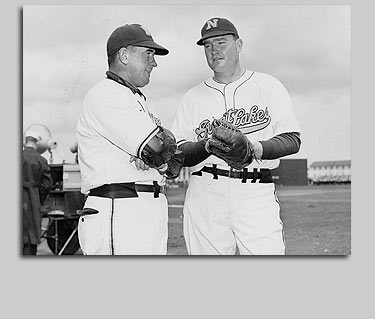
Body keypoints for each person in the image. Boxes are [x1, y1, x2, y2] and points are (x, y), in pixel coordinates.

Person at [172, 17, 301, 255]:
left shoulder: (268, 86)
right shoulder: (192, 97)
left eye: (221, 42)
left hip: (254, 191)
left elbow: (293, 139)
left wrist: (255, 149)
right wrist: (207, 147)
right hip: (205, 193)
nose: (214, 50)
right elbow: (180, 153)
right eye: (208, 46)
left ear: (239, 45)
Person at [76, 23, 184, 255]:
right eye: (148, 54)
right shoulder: (106, 93)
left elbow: (169, 157)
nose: (154, 63)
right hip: (119, 209)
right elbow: (158, 149)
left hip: (142, 209)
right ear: (124, 55)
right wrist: (159, 155)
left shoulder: (137, 98)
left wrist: (160, 156)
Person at [23, 129, 52, 255]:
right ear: (36, 143)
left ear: (25, 142)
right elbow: (46, 185)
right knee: (31, 237)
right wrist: (38, 198)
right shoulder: (41, 161)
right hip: (33, 200)